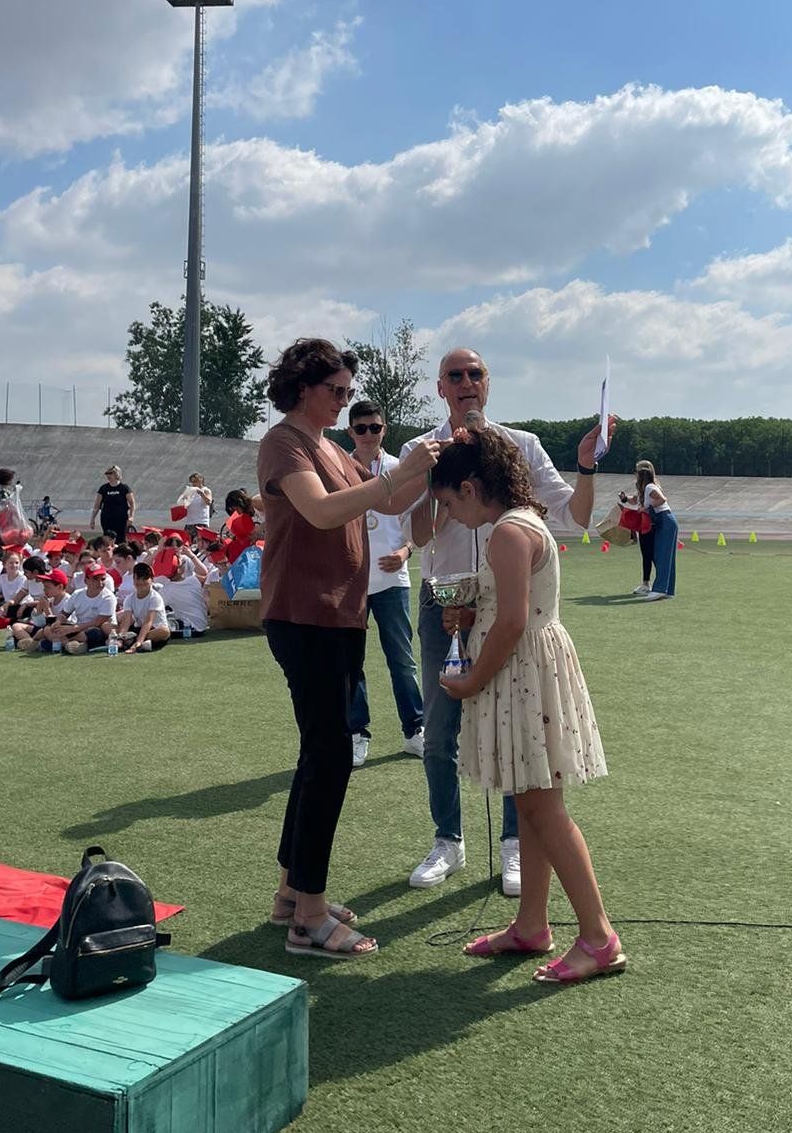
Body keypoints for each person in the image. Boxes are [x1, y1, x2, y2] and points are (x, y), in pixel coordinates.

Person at [402, 347, 613, 897]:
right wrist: (439, 475)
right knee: (440, 729)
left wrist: (586, 465)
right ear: (440, 388)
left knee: (516, 726)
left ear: (488, 383)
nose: (466, 382)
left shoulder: (522, 446)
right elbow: (418, 536)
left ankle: (516, 843)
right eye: (455, 375)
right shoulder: (419, 450)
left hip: (502, 607)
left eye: (475, 373)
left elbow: (574, 516)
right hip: (445, 604)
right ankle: (447, 839)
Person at [257, 338, 440, 960]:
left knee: (321, 754)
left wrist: (428, 467)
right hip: (303, 614)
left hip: (336, 616)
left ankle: (292, 893)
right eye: (334, 391)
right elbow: (322, 512)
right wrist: (399, 473)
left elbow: (390, 501)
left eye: (347, 391)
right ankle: (308, 917)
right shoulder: (285, 442)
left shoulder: (333, 449)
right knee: (331, 757)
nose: (343, 401)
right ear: (302, 387)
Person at [433, 430, 623, 984]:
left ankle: (599, 938)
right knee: (532, 800)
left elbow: (514, 621)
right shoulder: (523, 522)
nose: (450, 514)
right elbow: (509, 607)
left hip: (521, 674)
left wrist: (471, 680)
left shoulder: (507, 533)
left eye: (449, 503)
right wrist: (473, 615)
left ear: (470, 489)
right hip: (531, 671)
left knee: (544, 808)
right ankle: (532, 924)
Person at [346, 400, 425, 764]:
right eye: (361, 428)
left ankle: (415, 729)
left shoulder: (398, 468)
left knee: (402, 661)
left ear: (384, 430)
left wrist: (406, 552)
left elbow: (417, 522)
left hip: (393, 578)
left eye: (374, 428)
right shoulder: (339, 468)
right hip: (350, 581)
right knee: (350, 662)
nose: (368, 434)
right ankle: (357, 733)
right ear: (350, 432)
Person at [618, 460, 677, 599]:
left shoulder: (650, 487)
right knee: (664, 556)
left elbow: (662, 499)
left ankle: (660, 589)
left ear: (642, 474)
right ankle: (667, 590)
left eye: (637, 473)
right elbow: (636, 499)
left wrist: (646, 508)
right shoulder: (647, 489)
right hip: (663, 520)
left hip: (664, 519)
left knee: (661, 555)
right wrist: (625, 498)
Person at [61, 566, 120, 654]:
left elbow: (97, 622)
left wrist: (72, 629)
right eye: (95, 579)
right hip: (80, 629)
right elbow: (64, 613)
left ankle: (64, 642)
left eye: (103, 579)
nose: (100, 583)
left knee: (95, 632)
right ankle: (70, 644)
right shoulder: (77, 594)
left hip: (98, 630)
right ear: (86, 581)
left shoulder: (109, 597)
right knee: (48, 629)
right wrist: (57, 623)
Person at [114, 562, 171, 652]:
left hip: (154, 630)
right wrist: (120, 637)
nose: (141, 582)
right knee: (118, 631)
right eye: (138, 579)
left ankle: (136, 642)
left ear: (152, 580)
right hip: (139, 628)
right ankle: (139, 643)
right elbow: (126, 621)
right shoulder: (129, 599)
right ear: (133, 579)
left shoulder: (155, 598)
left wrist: (139, 641)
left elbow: (148, 621)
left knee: (164, 631)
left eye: (145, 579)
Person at [91, 465, 135, 543]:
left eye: (110, 473)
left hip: (121, 519)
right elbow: (97, 505)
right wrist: (92, 519)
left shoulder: (124, 488)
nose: (108, 475)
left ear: (116, 474)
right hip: (107, 519)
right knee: (107, 539)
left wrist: (131, 516)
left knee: (120, 539)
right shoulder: (103, 488)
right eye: (107, 474)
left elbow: (132, 503)